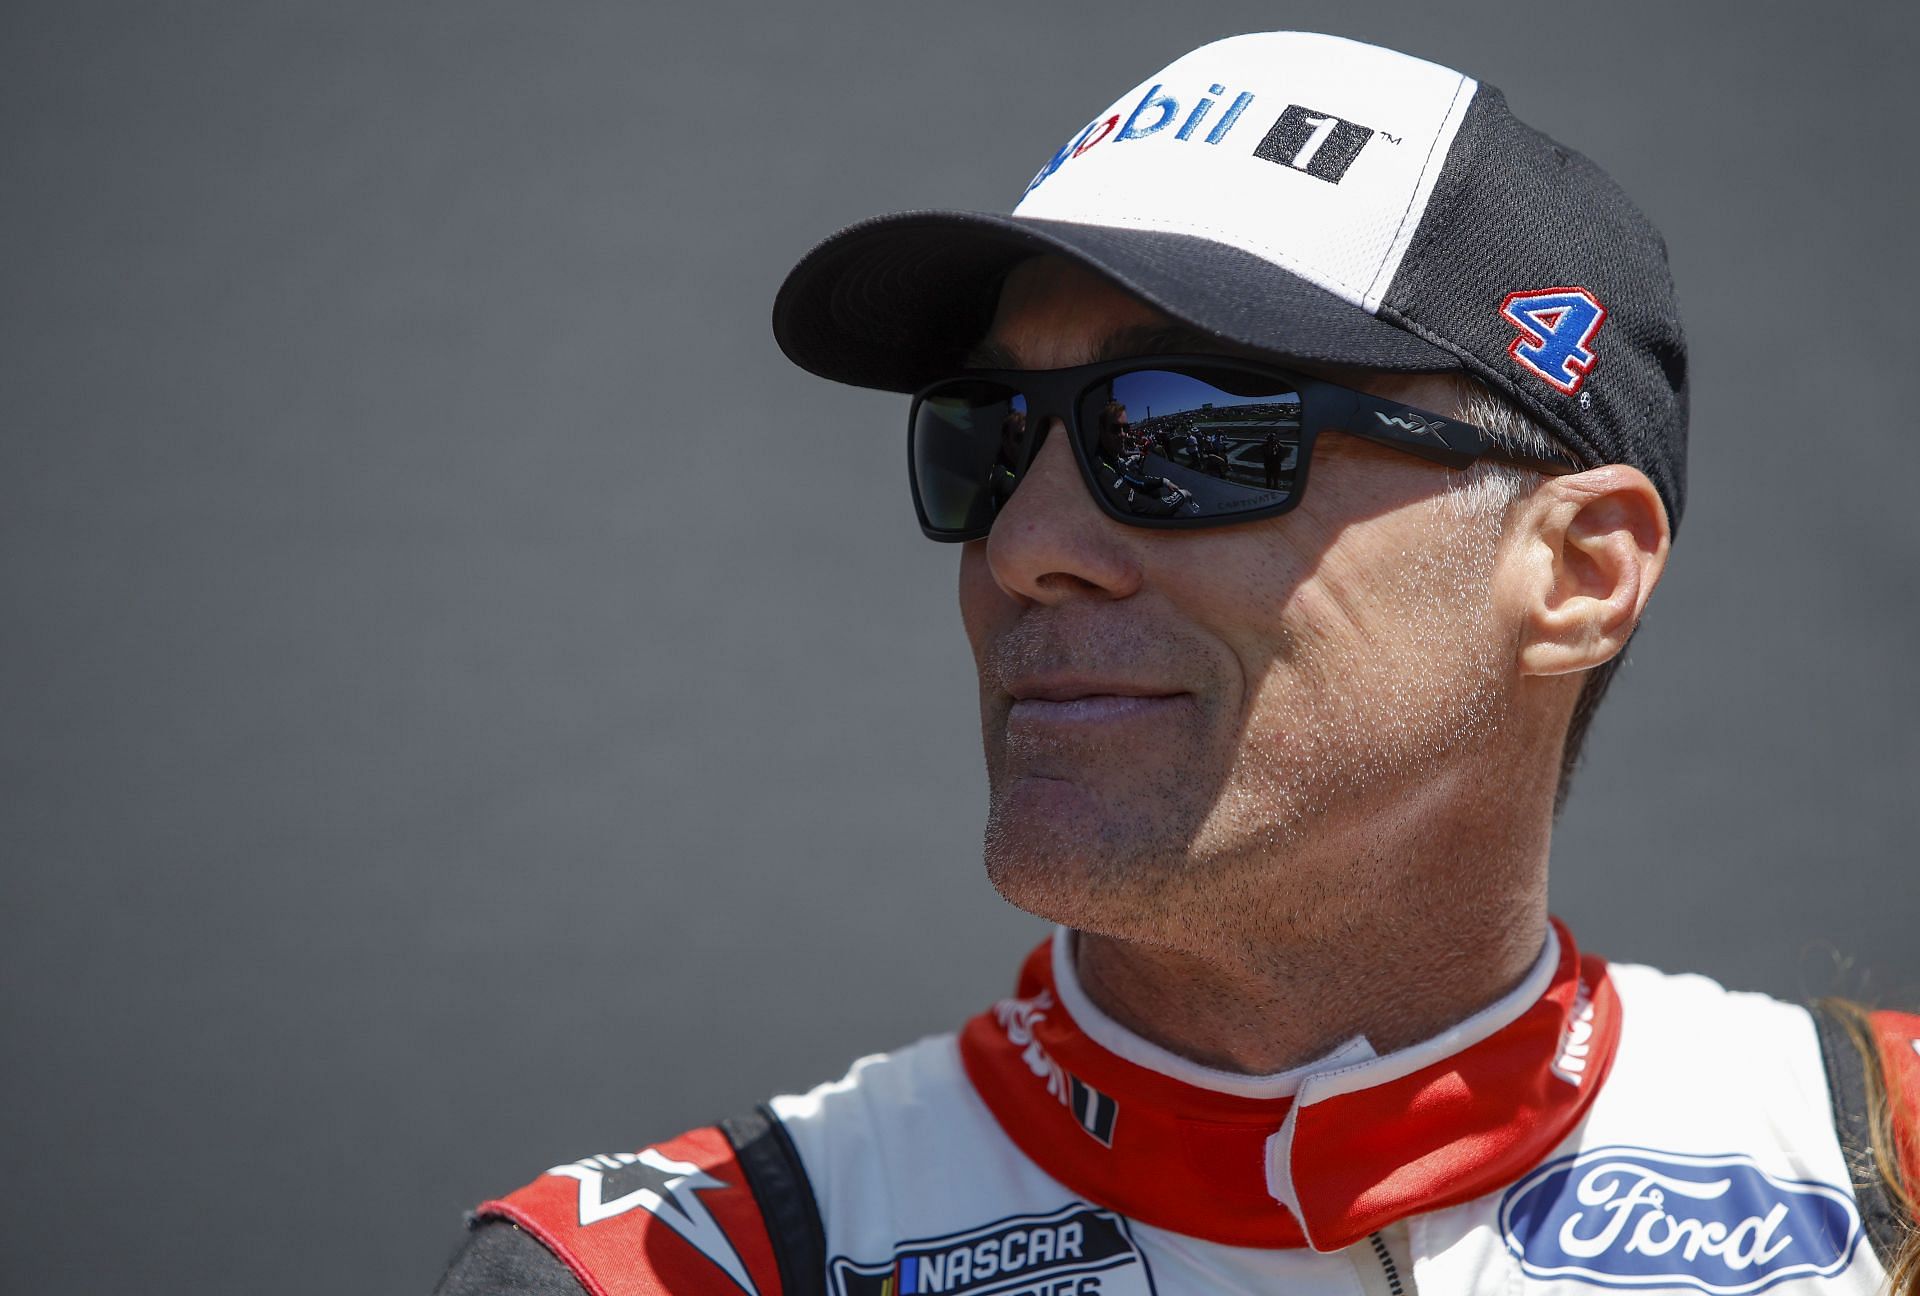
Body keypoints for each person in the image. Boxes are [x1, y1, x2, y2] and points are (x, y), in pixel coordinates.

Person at [434, 31, 1918, 1296]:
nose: (1026, 545)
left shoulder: (1888, 1172)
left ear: (1578, 573)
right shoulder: (674, 1269)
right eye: (989, 439)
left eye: (1188, 433)